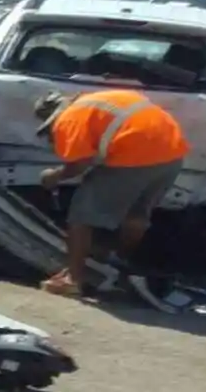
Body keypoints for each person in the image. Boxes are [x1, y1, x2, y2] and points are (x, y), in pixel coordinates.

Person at [33, 89, 190, 297]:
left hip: (134, 154)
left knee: (81, 214)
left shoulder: (68, 119)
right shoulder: (100, 100)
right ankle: (119, 264)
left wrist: (53, 176)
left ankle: (73, 279)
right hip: (172, 154)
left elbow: (79, 166)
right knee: (137, 215)